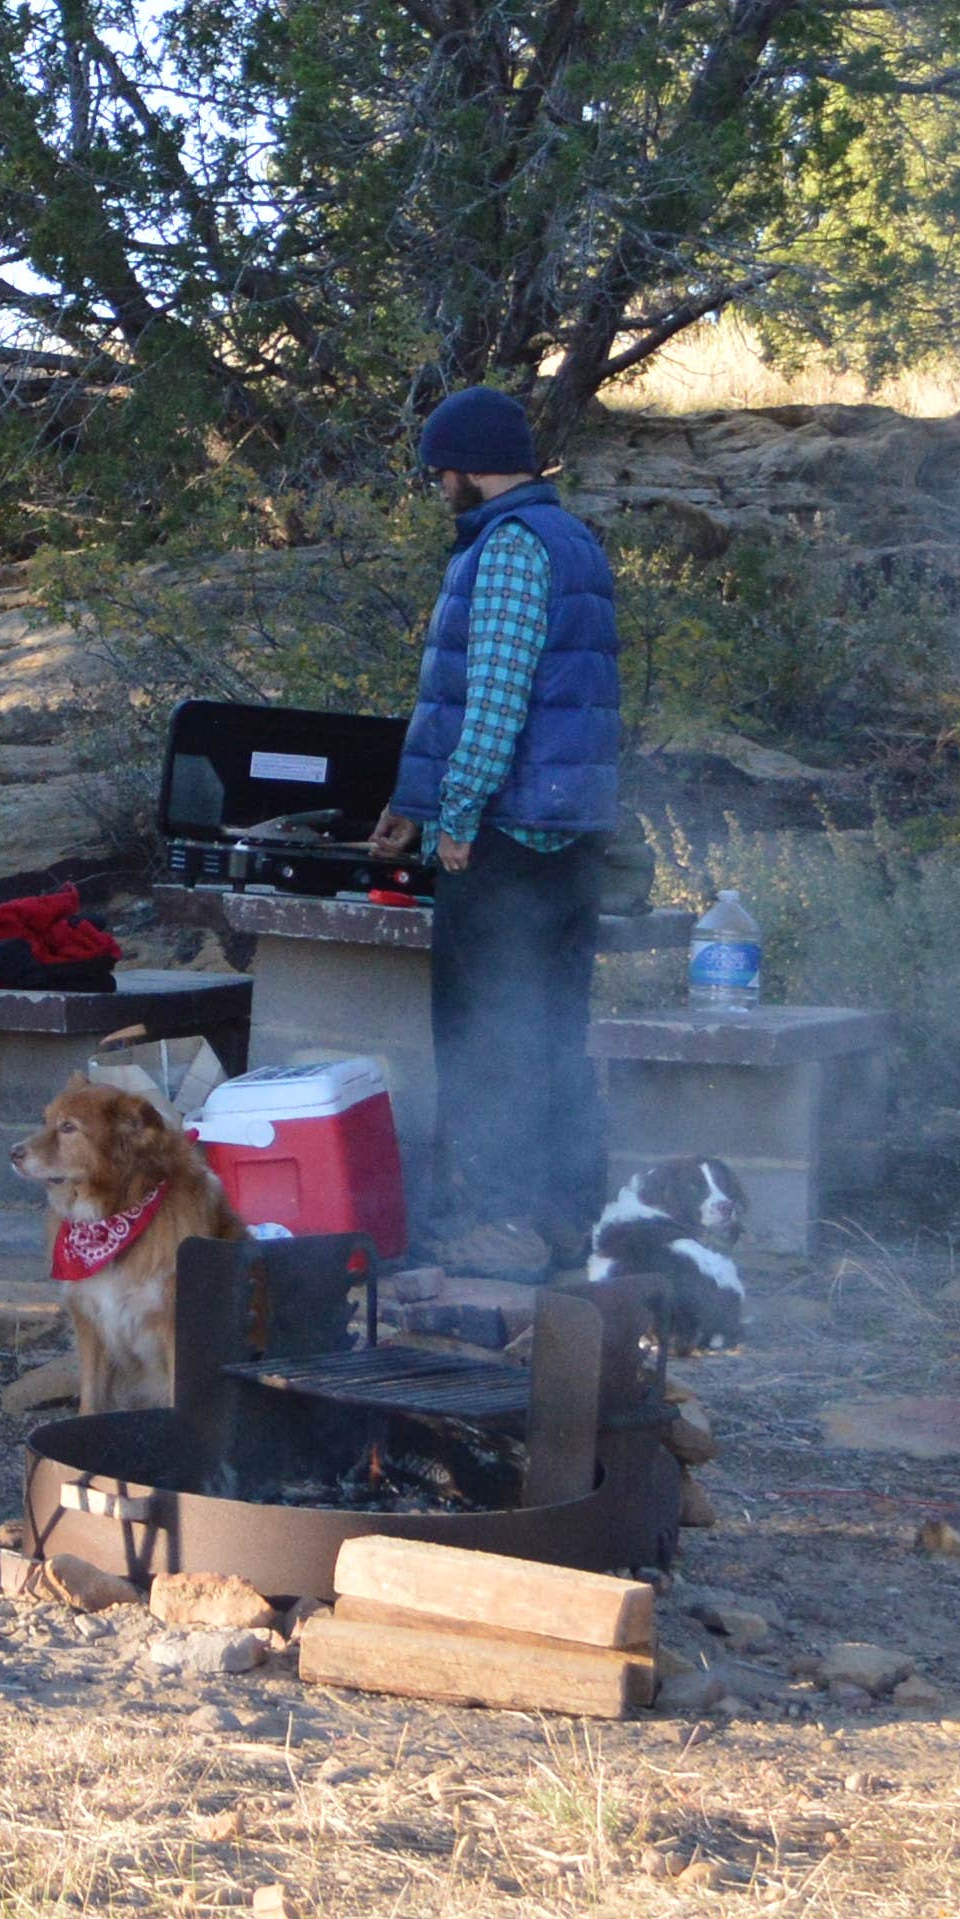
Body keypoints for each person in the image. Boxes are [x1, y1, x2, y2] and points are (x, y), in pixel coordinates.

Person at [383, 383, 620, 1274]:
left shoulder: (512, 547)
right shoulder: (570, 538)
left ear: (467, 467)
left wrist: (456, 814)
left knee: (486, 1034)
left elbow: (494, 701)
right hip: (567, 830)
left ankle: (498, 1225)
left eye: (438, 471)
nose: (436, 486)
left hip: (508, 835)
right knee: (553, 1030)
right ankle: (567, 1222)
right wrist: (410, 802)